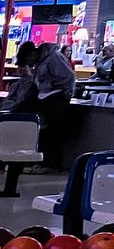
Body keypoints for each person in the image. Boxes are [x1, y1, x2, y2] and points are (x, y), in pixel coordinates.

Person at [30, 41, 75, 172]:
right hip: (48, 98)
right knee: (48, 132)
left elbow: (69, 76)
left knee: (52, 133)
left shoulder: (53, 58)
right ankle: (44, 162)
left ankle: (48, 164)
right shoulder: (44, 59)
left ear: (33, 53)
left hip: (56, 99)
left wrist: (56, 87)